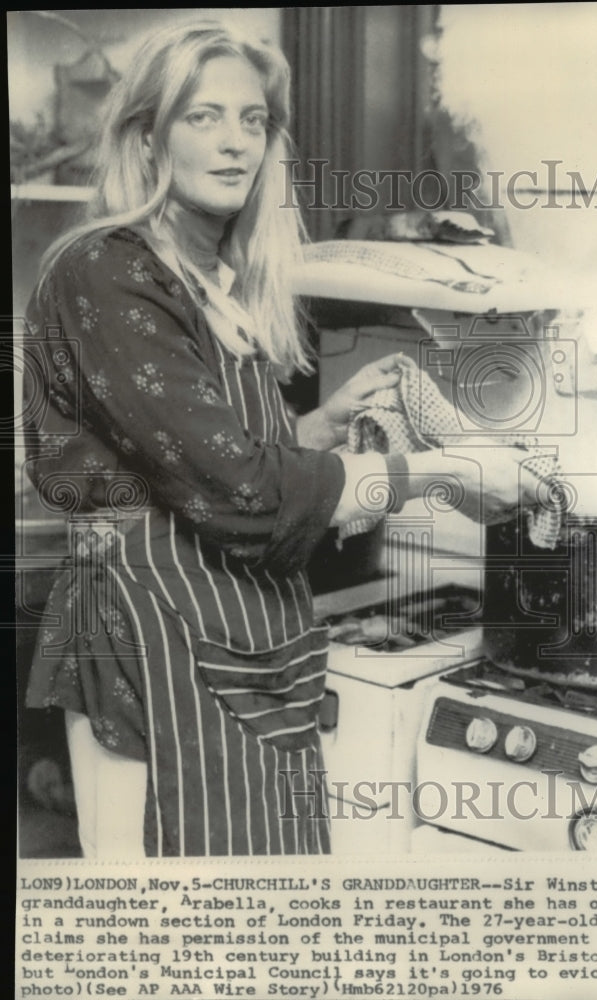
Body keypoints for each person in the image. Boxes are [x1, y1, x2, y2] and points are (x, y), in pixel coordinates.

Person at [23, 19, 540, 858]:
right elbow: (245, 496)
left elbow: (193, 461)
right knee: (178, 952)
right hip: (158, 650)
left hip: (243, 644)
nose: (235, 145)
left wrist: (313, 429)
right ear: (148, 135)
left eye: (252, 120)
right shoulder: (108, 269)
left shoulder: (214, 280)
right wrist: (440, 470)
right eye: (203, 117)